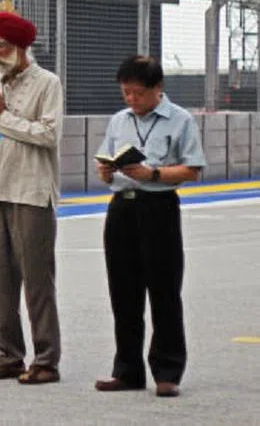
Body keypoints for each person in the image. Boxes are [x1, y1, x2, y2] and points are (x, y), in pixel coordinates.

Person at [94, 56, 204, 399]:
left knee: (164, 290)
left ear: (159, 89)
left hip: (158, 208)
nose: (131, 100)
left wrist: (154, 174)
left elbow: (192, 169)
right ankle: (127, 369)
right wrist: (107, 171)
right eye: (126, 93)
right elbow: (105, 157)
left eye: (138, 93)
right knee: (123, 292)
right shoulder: (119, 120)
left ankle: (168, 370)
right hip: (122, 208)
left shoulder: (181, 120)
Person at [0, 12, 64, 385]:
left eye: (1, 45)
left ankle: (46, 359)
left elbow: (49, 135)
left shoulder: (47, 83)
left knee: (37, 279)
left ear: (21, 47)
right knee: (0, 278)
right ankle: (8, 353)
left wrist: (3, 116)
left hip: (31, 190)